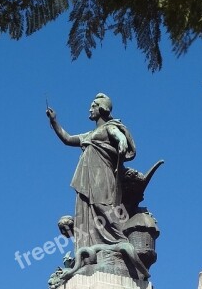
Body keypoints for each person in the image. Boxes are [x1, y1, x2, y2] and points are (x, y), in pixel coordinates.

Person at [46, 94, 136, 251]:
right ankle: (90, 248)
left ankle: (119, 240)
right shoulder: (88, 135)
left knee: (103, 207)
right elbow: (67, 139)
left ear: (102, 108)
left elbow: (118, 134)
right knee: (86, 212)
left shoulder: (109, 127)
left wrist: (122, 141)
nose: (90, 109)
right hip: (86, 179)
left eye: (93, 106)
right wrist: (54, 121)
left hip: (102, 176)